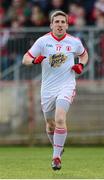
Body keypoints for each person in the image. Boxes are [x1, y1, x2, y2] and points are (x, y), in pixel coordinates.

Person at [22, 10, 88, 170]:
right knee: (50, 124)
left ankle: (56, 157)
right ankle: (57, 148)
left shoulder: (74, 42)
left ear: (67, 25)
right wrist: (35, 60)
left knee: (60, 118)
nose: (59, 25)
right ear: (51, 24)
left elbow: (84, 55)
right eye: (56, 22)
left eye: (62, 22)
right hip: (48, 89)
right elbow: (25, 59)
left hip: (66, 86)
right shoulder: (43, 41)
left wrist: (80, 64)